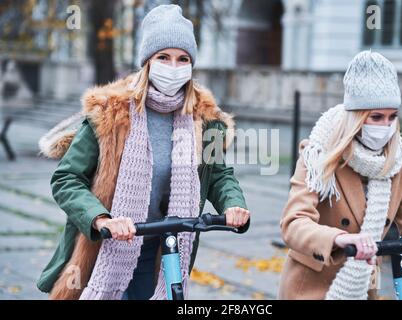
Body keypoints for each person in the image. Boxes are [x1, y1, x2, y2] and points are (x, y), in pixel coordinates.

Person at [36, 4, 249, 300]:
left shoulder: (206, 120)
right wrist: (101, 219)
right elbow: (67, 179)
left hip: (164, 247)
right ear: (148, 61)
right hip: (105, 244)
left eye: (182, 58)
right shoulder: (111, 113)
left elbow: (218, 176)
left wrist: (233, 205)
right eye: (164, 57)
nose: (173, 67)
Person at [278, 50, 402, 300]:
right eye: (376, 117)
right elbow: (294, 223)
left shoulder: (400, 158)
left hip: (363, 286)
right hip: (312, 287)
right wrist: (340, 239)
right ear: (357, 118)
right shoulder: (318, 153)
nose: (386, 127)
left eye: (392, 117)